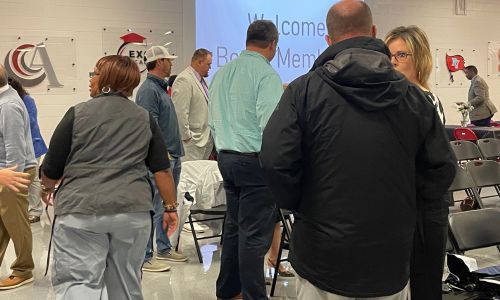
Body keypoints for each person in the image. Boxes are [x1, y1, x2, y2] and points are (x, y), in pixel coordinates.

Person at [260, 1, 456, 299]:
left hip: (321, 256)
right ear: (374, 31)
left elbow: (275, 161)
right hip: (389, 257)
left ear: (328, 39)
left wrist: (304, 205)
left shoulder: (303, 92)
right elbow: (441, 169)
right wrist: (404, 206)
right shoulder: (415, 99)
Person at [39, 55, 178, 299]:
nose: (91, 79)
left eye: (94, 73)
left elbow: (52, 166)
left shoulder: (76, 114)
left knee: (79, 282)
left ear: (106, 79)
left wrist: (46, 188)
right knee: (125, 285)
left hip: (80, 212)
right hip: (132, 213)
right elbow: (162, 169)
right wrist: (170, 207)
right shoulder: (144, 118)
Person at [209, 20, 283, 300]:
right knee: (253, 236)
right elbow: (272, 125)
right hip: (254, 162)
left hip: (226, 158)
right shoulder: (265, 75)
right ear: (273, 44)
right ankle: (254, 295)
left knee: (233, 229)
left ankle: (228, 291)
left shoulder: (222, 73)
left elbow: (212, 122)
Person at [385, 25, 451, 300]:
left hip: (423, 209)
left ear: (420, 58)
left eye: (401, 55)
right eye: (389, 55)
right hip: (397, 208)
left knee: (424, 286)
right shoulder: (393, 99)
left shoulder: (426, 101)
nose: (393, 62)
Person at [136, 45, 187, 272]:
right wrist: (162, 157)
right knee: (154, 206)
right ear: (158, 62)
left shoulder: (160, 88)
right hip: (162, 161)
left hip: (171, 157)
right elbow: (150, 126)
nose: (171, 63)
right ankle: (146, 257)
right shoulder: (148, 90)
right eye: (168, 59)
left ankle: (163, 248)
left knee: (166, 206)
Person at [0, 63, 37, 290]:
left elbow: (15, 149)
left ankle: (24, 269)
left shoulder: (8, 106)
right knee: (3, 223)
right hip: (6, 172)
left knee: (16, 222)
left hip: (13, 172)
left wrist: (11, 179)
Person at [8, 77, 48, 223]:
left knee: (32, 180)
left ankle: (35, 211)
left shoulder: (27, 100)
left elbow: (31, 123)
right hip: (14, 146)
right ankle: (20, 209)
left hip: (32, 146)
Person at [172, 48, 213, 161]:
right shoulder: (184, 80)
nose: (210, 68)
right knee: (189, 177)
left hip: (204, 140)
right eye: (208, 64)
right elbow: (180, 112)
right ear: (199, 62)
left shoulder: (201, 80)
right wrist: (186, 137)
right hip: (192, 143)